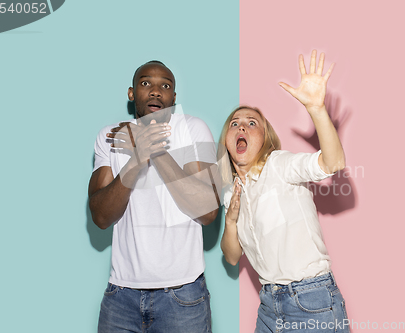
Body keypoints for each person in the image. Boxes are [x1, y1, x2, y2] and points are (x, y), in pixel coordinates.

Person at [220, 51, 350, 333]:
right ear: (227, 141)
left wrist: (316, 109)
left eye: (252, 123)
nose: (242, 125)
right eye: (235, 123)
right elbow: (231, 257)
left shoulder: (279, 164)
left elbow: (333, 163)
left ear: (265, 139)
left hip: (311, 300)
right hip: (268, 305)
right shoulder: (231, 193)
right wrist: (230, 222)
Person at [88, 60, 218, 333]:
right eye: (146, 83)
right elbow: (100, 217)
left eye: (165, 85)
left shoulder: (194, 129)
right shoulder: (111, 137)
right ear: (131, 93)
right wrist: (137, 157)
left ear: (173, 97)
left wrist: (154, 149)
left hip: (182, 296)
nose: (156, 91)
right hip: (121, 296)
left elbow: (208, 212)